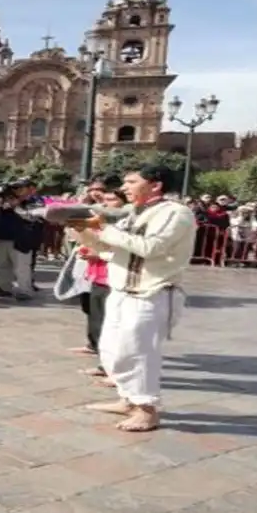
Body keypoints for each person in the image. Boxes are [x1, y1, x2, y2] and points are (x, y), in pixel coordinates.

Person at [67, 164, 196, 432]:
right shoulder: (135, 214)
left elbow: (151, 247)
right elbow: (109, 246)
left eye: (131, 182)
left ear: (155, 185)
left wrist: (105, 228)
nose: (123, 187)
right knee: (113, 352)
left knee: (139, 354)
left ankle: (147, 410)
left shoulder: (176, 213)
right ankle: (128, 400)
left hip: (151, 293)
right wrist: (80, 228)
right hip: (121, 291)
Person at [72, 188, 127, 383]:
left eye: (112, 199)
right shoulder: (100, 220)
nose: (107, 202)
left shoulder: (123, 223)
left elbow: (123, 250)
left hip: (114, 277)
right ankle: (104, 362)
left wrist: (99, 254)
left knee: (111, 323)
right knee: (96, 317)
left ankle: (114, 368)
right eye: (105, 199)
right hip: (97, 275)